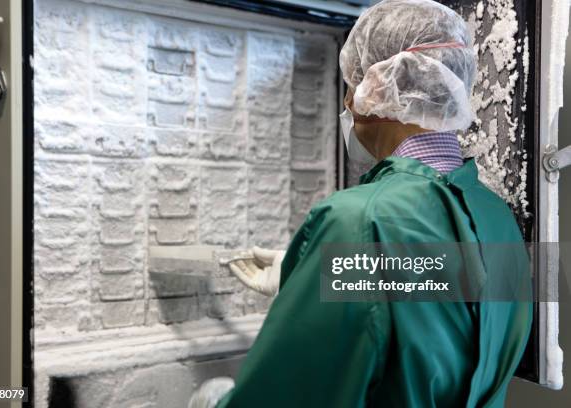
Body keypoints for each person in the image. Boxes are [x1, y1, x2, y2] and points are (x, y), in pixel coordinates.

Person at [189, 0, 533, 406]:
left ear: (382, 86)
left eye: (352, 84)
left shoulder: (360, 220)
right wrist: (319, 280)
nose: (348, 103)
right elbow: (435, 316)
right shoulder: (496, 218)